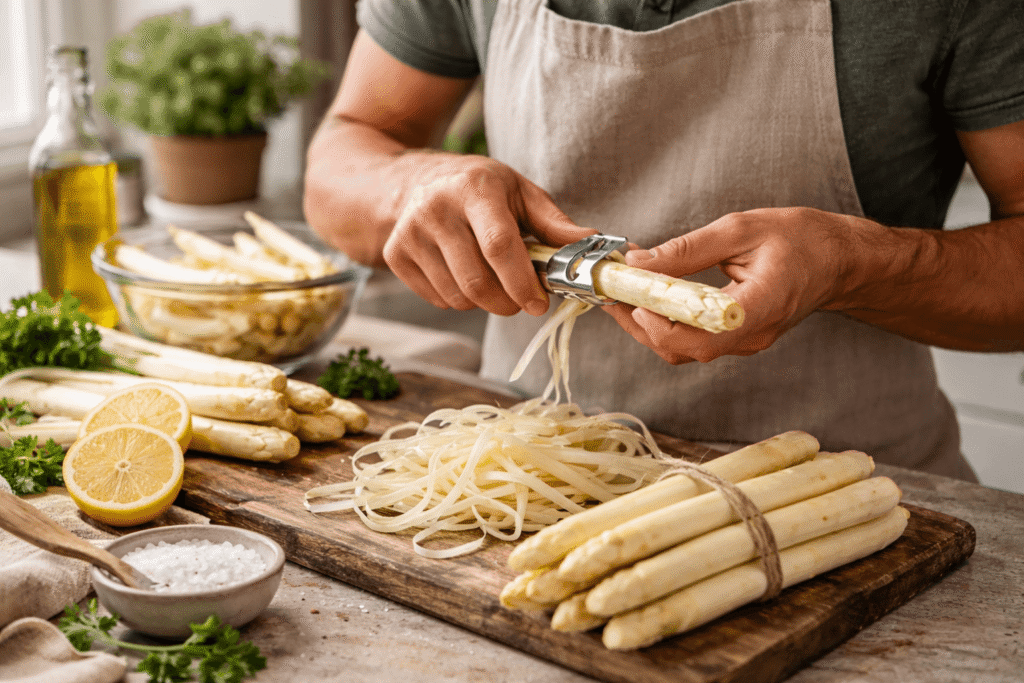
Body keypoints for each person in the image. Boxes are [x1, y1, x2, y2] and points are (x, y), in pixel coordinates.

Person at [303, 0, 1024, 481]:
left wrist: (850, 268)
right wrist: (408, 187)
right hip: (525, 481)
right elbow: (341, 160)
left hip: (854, 495)